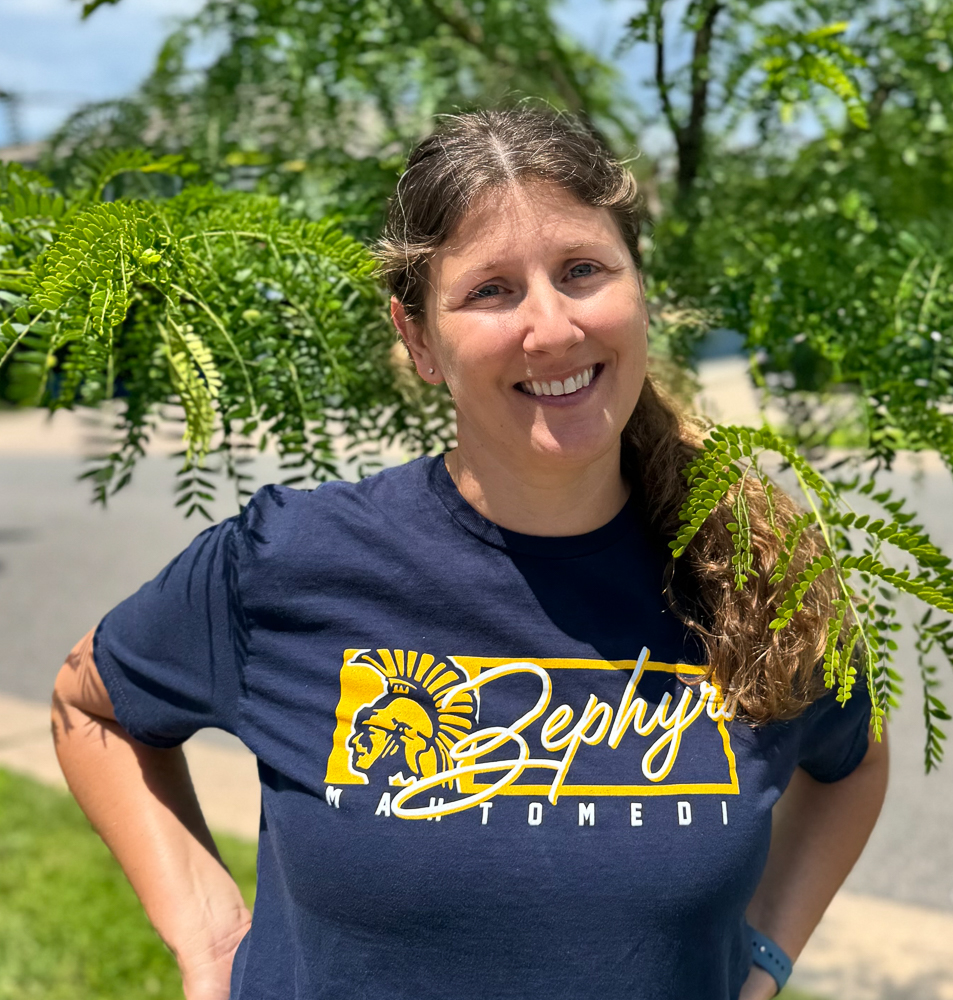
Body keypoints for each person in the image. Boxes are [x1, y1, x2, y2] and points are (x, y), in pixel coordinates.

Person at [52, 109, 888, 1000]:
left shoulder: (748, 574)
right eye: (491, 290)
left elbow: (854, 761)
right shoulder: (289, 561)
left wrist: (762, 959)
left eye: (583, 270)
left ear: (639, 288)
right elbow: (88, 704)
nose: (552, 327)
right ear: (419, 340)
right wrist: (208, 934)